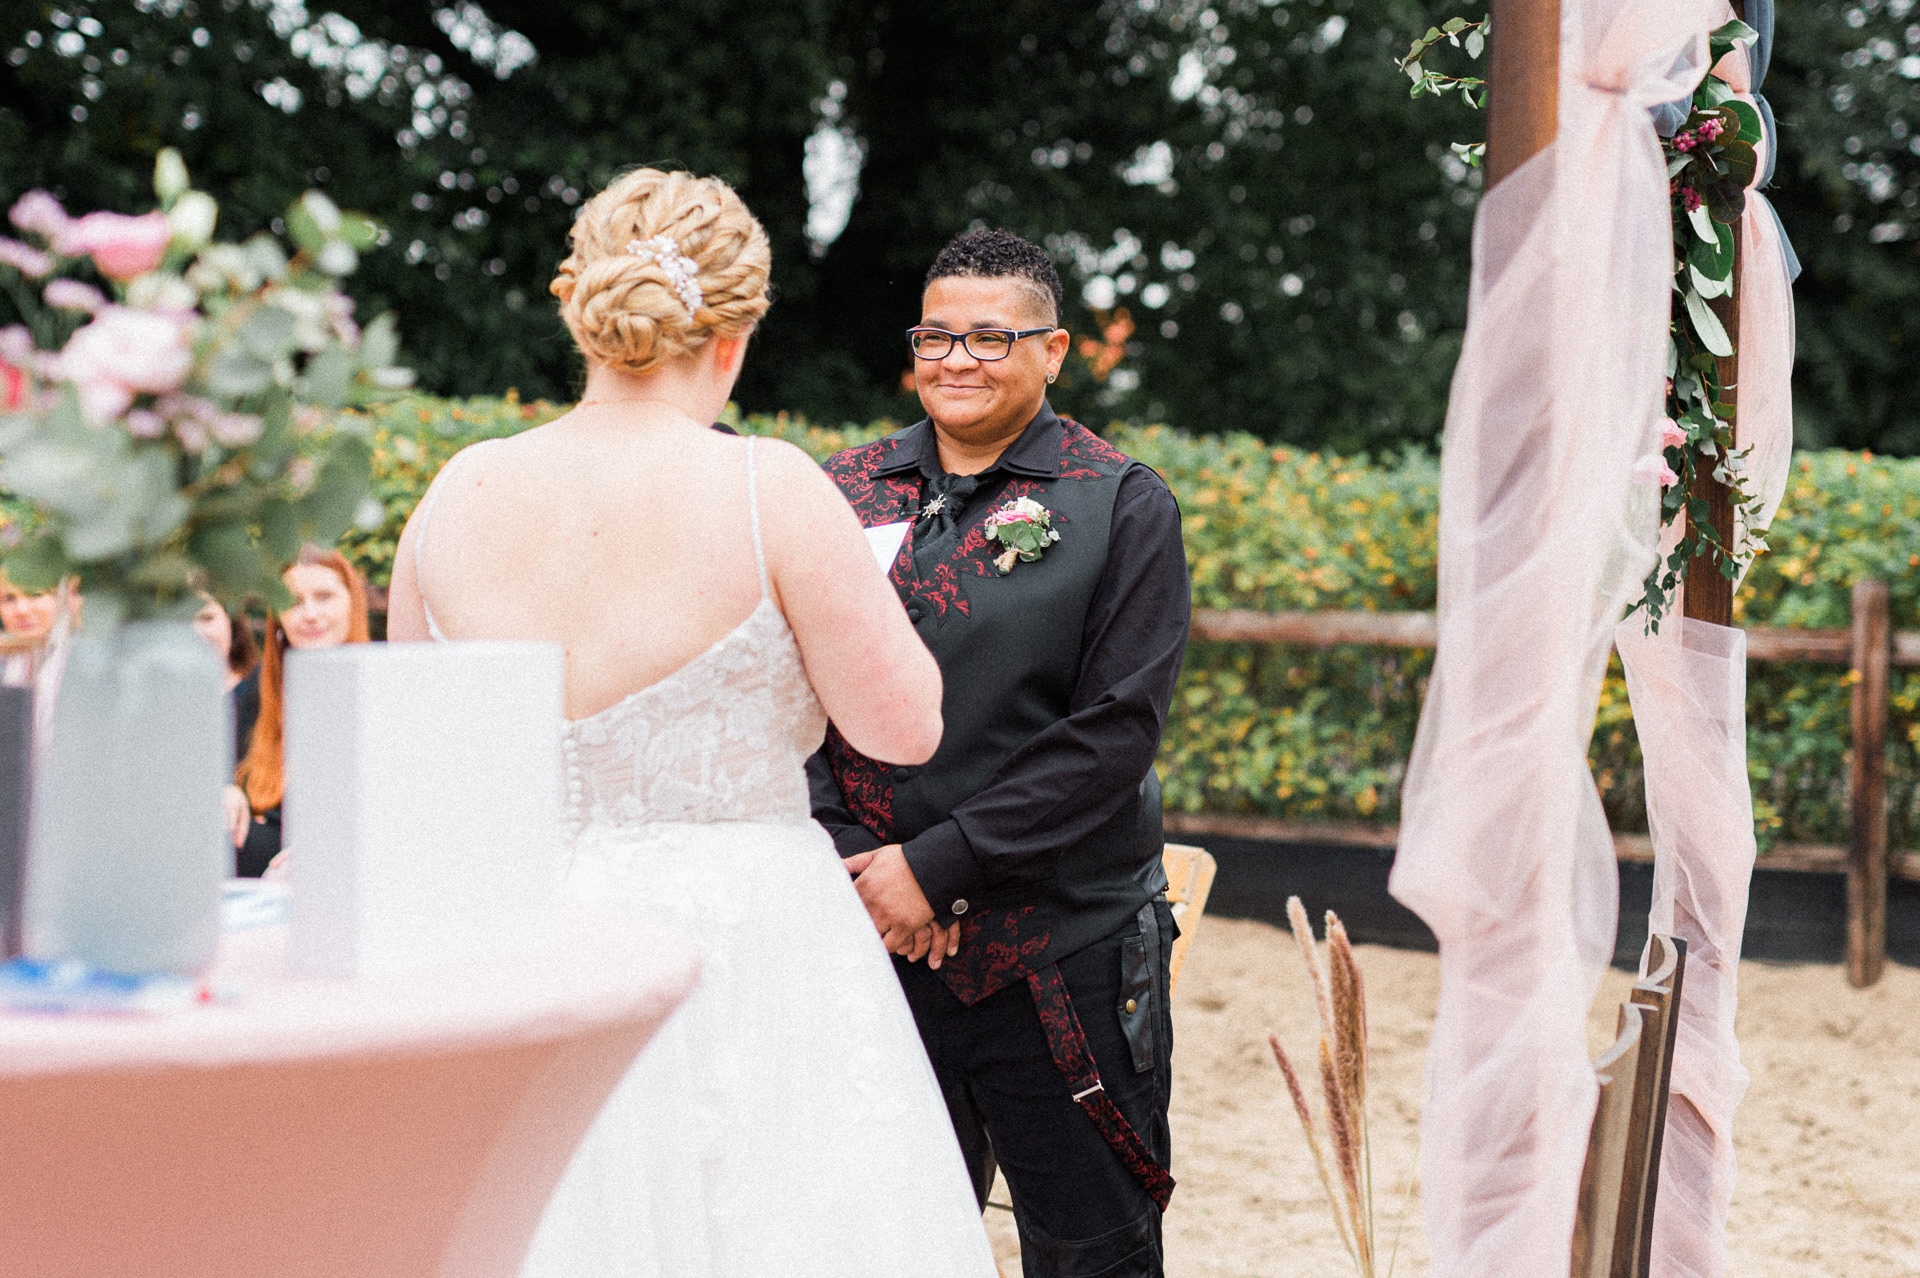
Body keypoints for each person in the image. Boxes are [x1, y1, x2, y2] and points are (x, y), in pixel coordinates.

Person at [385, 167, 996, 1278]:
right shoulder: (771, 489)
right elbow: (904, 727)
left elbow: (417, 769)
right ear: (732, 336)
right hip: (743, 951)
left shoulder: (456, 493)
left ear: (584, 313)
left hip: (514, 944)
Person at [806, 229, 1192, 1278]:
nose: (956, 361)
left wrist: (938, 868)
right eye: (935, 336)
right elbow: (786, 697)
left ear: (1053, 350)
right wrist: (862, 867)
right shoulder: (839, 493)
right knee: (879, 1249)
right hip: (870, 937)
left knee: (1091, 1250)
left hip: (1061, 948)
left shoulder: (1120, 503)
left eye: (989, 338)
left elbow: (1114, 732)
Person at [224, 548, 369, 877]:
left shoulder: (380, 691)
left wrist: (327, 851)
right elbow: (229, 775)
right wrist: (227, 793)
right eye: (293, 601)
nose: (310, 614)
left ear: (352, 604)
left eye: (324, 597)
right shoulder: (259, 690)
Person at [192, 593, 260, 765]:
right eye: (184, 623)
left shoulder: (264, 690)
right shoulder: (159, 704)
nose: (198, 632)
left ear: (231, 621)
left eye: (207, 618)